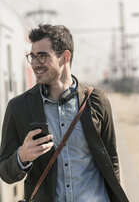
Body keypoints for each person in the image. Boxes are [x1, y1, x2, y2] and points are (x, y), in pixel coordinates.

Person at [0, 24, 129, 202]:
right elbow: (5, 173)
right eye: (32, 57)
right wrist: (22, 156)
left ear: (65, 57)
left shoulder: (98, 101)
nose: (35, 64)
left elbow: (112, 162)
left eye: (42, 56)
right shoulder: (18, 108)